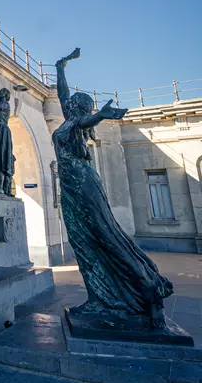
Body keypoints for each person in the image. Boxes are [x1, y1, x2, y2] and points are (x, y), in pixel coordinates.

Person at [53, 48, 173, 327]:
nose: (67, 102)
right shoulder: (70, 120)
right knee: (84, 244)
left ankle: (150, 291)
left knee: (105, 238)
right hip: (73, 188)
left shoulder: (76, 124)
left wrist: (102, 115)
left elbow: (87, 120)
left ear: (78, 108)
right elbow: (62, 95)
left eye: (73, 103)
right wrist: (61, 67)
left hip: (83, 187)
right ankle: (100, 298)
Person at [0, 88, 14, 196]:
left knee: (1, 157)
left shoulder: (4, 104)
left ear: (5, 95)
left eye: (2, 92)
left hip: (2, 130)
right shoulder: (1, 103)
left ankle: (0, 187)